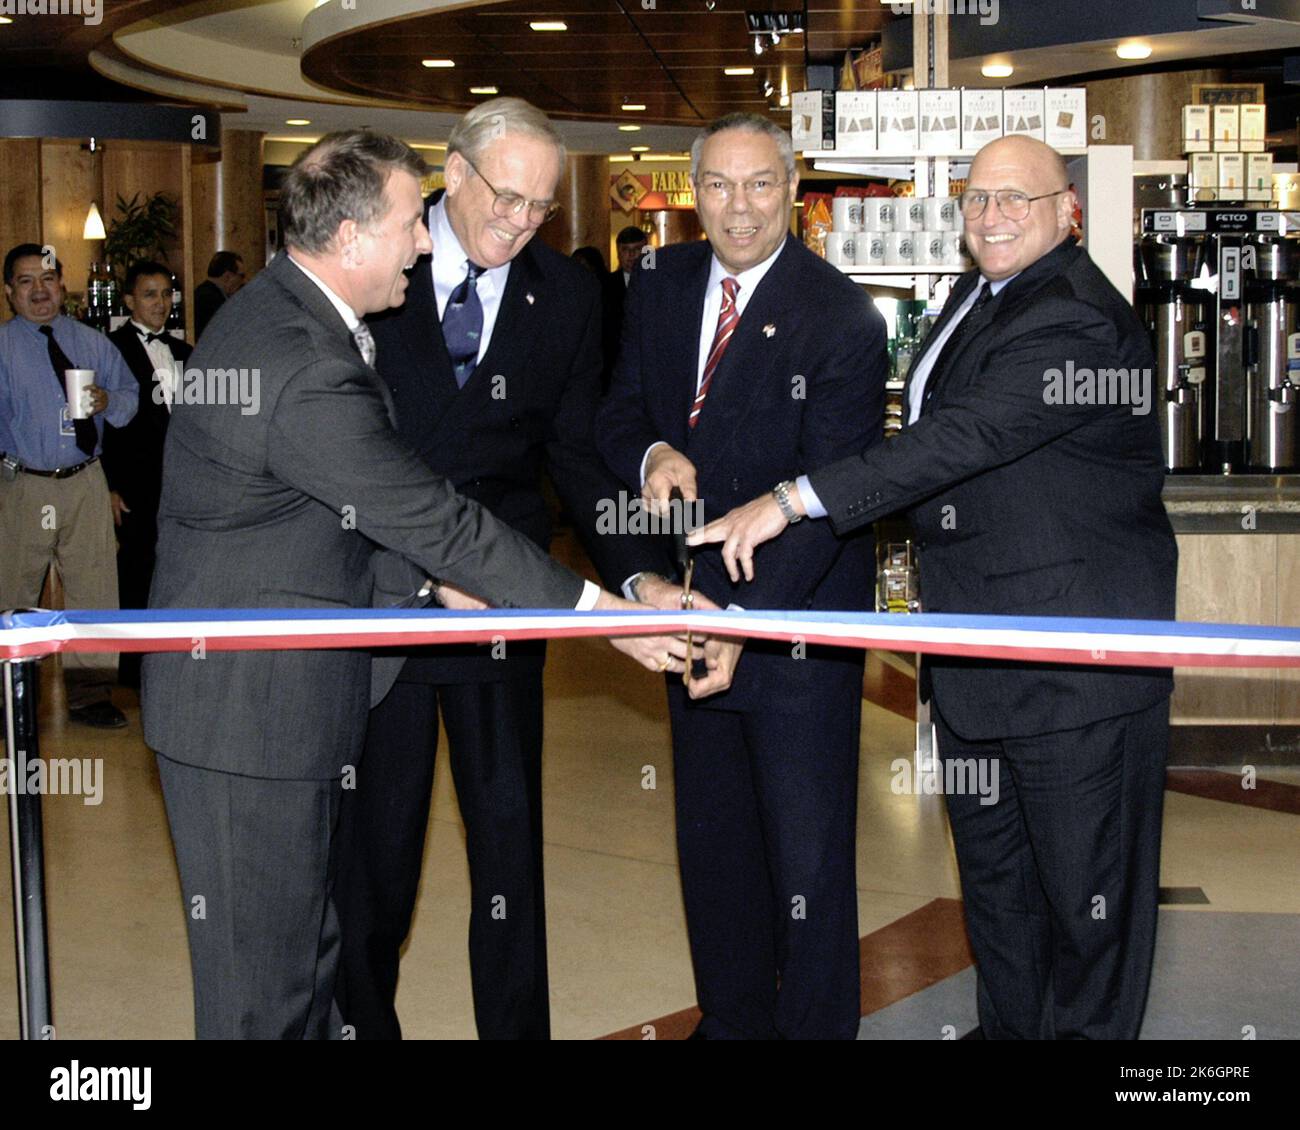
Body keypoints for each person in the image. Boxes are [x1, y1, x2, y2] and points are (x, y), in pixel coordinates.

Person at [140, 130, 692, 1040]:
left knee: (301, 969)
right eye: (409, 223)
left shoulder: (293, 316)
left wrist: (431, 588)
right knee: (263, 998)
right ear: (353, 236)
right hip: (249, 718)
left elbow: (317, 522)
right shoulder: (304, 361)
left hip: (281, 704)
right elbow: (426, 514)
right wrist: (602, 616)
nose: (425, 241)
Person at [690, 134, 1178, 1041]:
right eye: (977, 198)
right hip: (980, 664)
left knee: (1087, 912)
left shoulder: (1074, 316)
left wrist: (796, 498)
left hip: (1075, 672)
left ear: (1067, 211)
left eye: (1016, 200)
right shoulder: (977, 293)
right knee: (1000, 897)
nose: (991, 216)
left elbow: (963, 439)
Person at [332, 98, 653, 1042]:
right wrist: (419, 571)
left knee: (510, 856)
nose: (520, 222)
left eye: (540, 208)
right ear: (455, 174)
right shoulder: (374, 264)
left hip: (502, 604)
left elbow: (579, 456)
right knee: (376, 860)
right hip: (383, 601)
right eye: (505, 198)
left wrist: (634, 579)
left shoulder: (567, 292)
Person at [597, 113, 888, 1039]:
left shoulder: (839, 314)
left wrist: (740, 620)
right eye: (717, 185)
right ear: (694, 193)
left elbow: (836, 499)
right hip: (692, 618)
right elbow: (617, 411)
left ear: (793, 188)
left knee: (805, 866)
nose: (739, 207)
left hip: (793, 628)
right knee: (715, 854)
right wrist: (648, 454)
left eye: (760, 183)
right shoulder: (660, 284)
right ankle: (729, 1027)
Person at [0, 244, 137, 728]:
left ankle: (90, 695)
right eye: (25, 281)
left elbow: (130, 397)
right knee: (12, 591)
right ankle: (9, 699)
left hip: (85, 481)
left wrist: (107, 400)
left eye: (48, 279)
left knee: (96, 590)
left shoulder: (94, 343)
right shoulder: (3, 348)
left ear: (63, 285)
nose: (39, 290)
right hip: (22, 484)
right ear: (10, 293)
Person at [103, 261, 193, 688]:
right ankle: (132, 671)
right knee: (136, 572)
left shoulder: (187, 352)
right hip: (134, 482)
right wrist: (108, 486)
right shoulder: (110, 350)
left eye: (166, 294)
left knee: (178, 571)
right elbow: (97, 424)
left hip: (180, 484)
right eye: (150, 294)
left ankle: (174, 662)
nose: (161, 302)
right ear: (128, 301)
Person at [600, 226, 648, 390]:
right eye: (625, 250)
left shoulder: (659, 285)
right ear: (618, 252)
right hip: (614, 370)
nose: (631, 255)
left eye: (637, 250)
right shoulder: (604, 286)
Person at [192, 250, 244, 339]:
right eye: (241, 276)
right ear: (228, 277)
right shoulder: (214, 301)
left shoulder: (201, 292)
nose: (243, 281)